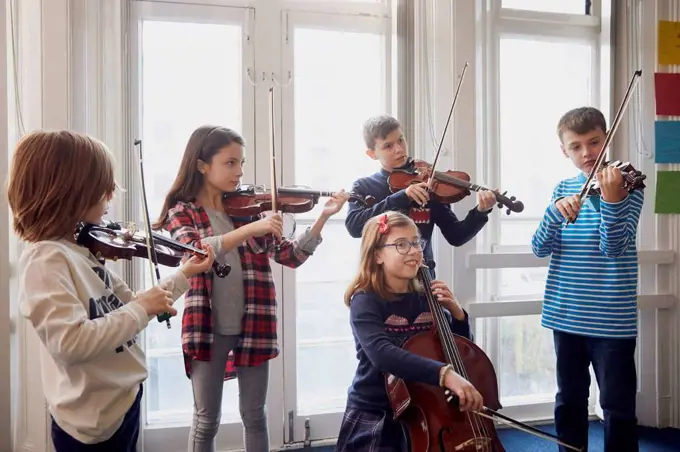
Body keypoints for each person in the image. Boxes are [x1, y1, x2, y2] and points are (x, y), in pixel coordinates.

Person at [7, 130, 215, 451]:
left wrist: (184, 274)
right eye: (103, 189)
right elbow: (71, 342)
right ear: (69, 193)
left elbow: (133, 305)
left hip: (121, 401)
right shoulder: (45, 260)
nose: (111, 196)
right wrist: (142, 308)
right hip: (92, 424)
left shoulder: (80, 250)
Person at [153, 125, 350, 452]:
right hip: (208, 327)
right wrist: (252, 229)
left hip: (253, 322)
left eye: (241, 163)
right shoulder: (182, 210)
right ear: (202, 165)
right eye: (230, 163)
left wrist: (321, 218)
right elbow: (196, 251)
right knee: (206, 420)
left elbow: (291, 255)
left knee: (255, 415)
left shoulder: (246, 210)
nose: (239, 171)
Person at [531, 107, 644, 452]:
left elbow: (614, 248)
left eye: (594, 142)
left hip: (611, 318)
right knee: (569, 400)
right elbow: (539, 248)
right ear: (564, 150)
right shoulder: (562, 189)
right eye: (576, 146)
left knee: (617, 406)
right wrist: (553, 212)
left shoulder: (627, 185)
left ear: (606, 138)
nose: (586, 153)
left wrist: (611, 203)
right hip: (566, 314)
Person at [336, 210, 484, 451]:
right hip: (377, 409)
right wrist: (444, 375)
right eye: (402, 245)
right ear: (377, 255)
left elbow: (458, 352)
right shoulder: (365, 300)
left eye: (416, 242)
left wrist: (457, 315)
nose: (415, 251)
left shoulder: (427, 297)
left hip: (427, 408)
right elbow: (382, 354)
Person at [345, 115, 497, 274]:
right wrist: (402, 197)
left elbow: (456, 236)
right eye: (388, 146)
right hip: (382, 280)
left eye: (401, 140)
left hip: (422, 278)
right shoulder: (364, 186)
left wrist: (481, 212)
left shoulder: (428, 183)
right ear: (372, 154)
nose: (399, 149)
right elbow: (354, 227)